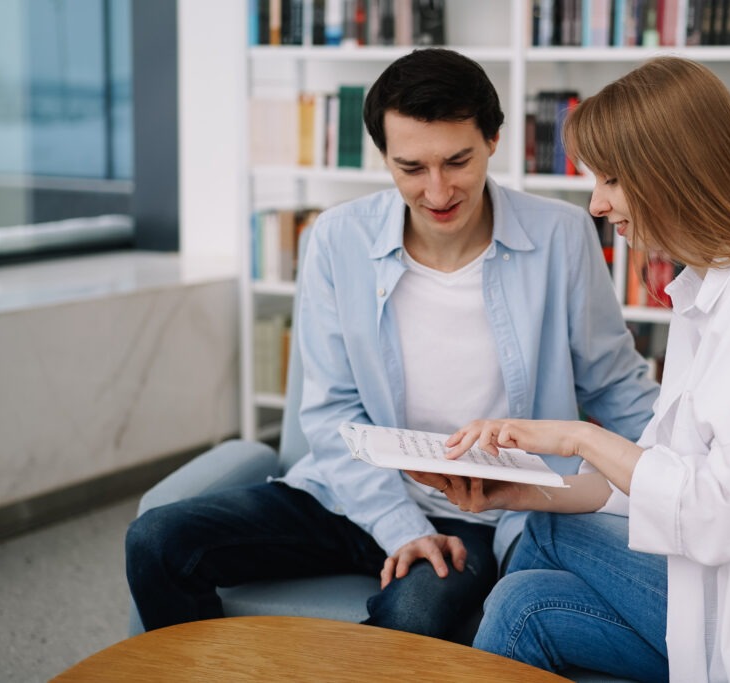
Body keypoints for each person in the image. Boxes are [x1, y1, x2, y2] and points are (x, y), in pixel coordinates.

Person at [416, 57, 730, 681]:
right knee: (523, 601)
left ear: (675, 172)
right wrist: (515, 492)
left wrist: (576, 436)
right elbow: (665, 482)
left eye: (611, 178)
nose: (597, 203)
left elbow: (720, 517)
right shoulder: (707, 296)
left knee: (551, 538)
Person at [124, 48, 658, 642]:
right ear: (383, 156)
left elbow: (612, 383)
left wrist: (682, 466)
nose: (437, 191)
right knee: (157, 540)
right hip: (351, 495)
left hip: (482, 513)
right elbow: (329, 413)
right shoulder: (337, 238)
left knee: (413, 617)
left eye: (457, 161)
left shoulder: (560, 233)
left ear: (494, 141)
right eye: (411, 168)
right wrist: (398, 525)